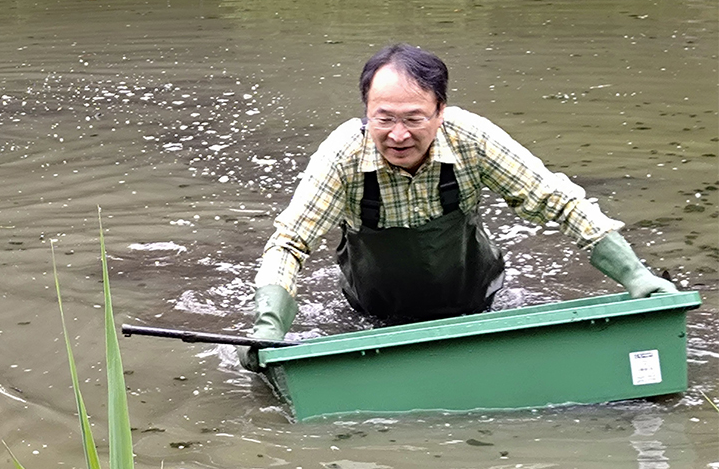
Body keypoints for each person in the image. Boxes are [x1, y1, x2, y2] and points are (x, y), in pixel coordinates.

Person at [240, 43, 676, 369]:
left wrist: (636, 276)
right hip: (374, 312)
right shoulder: (342, 156)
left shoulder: (474, 139)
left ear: (440, 111)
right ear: (366, 112)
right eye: (384, 118)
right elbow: (290, 243)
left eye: (413, 119)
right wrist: (268, 329)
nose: (398, 135)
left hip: (474, 301)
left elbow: (558, 201)